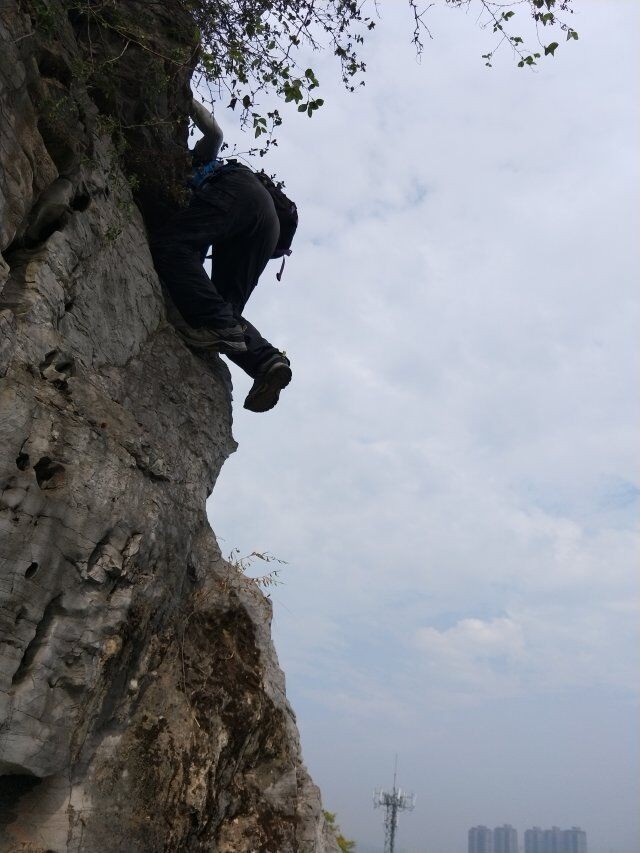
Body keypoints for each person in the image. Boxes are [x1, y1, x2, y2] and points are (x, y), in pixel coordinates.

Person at [150, 98, 293, 413]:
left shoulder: (199, 163)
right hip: (266, 230)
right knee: (222, 308)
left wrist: (183, 96)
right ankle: (267, 362)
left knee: (169, 244)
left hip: (241, 192)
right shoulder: (210, 203)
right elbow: (193, 272)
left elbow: (214, 134)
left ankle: (220, 326)